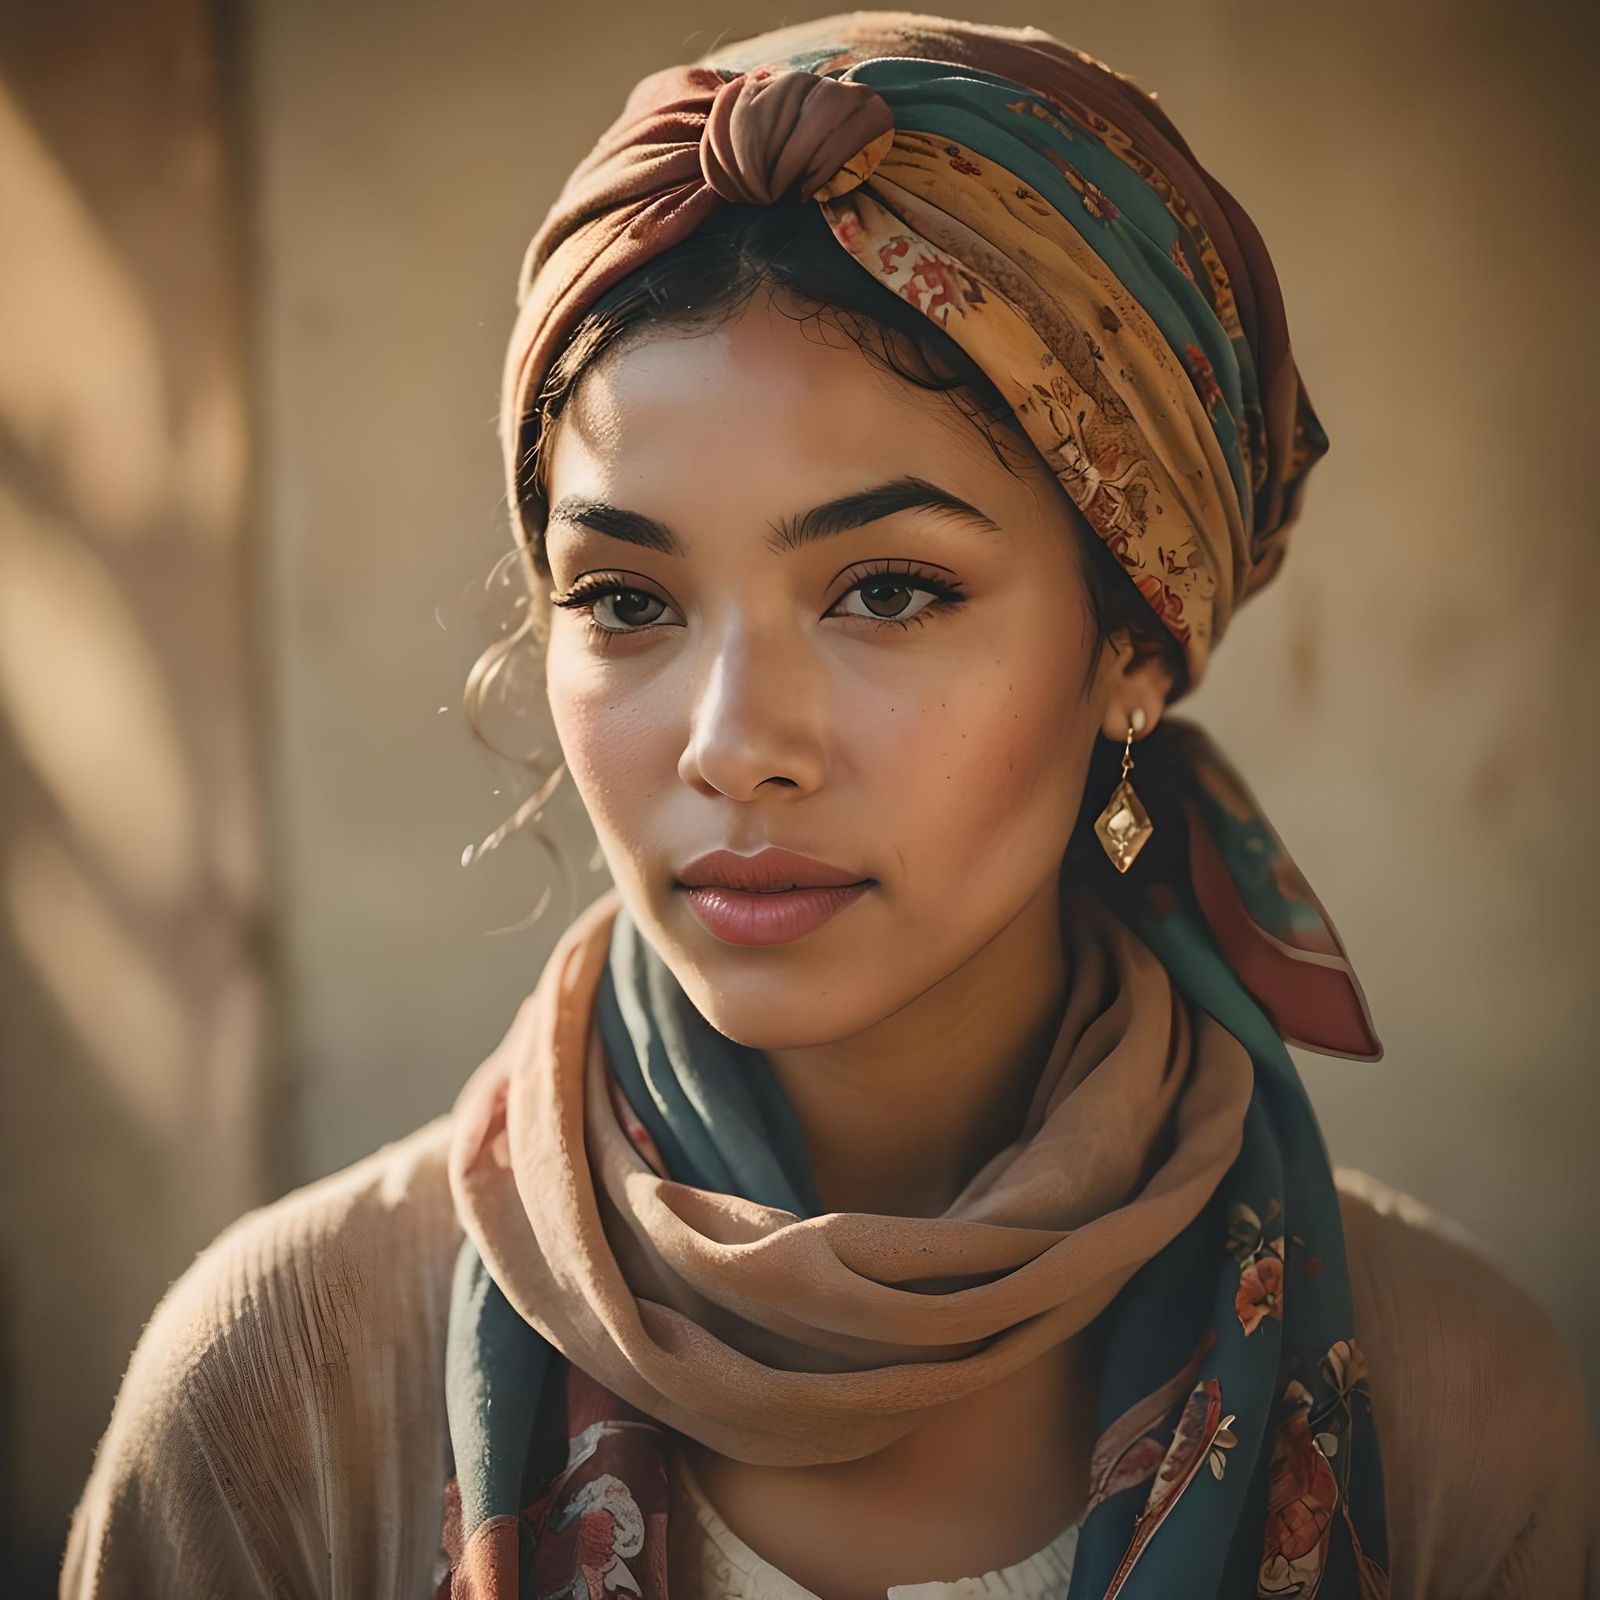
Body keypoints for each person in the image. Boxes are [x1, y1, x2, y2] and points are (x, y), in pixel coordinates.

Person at [61, 13, 1595, 1599]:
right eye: (626, 599)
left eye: (888, 590)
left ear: (1132, 644)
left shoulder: (1455, 1409)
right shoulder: (281, 1400)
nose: (735, 747)